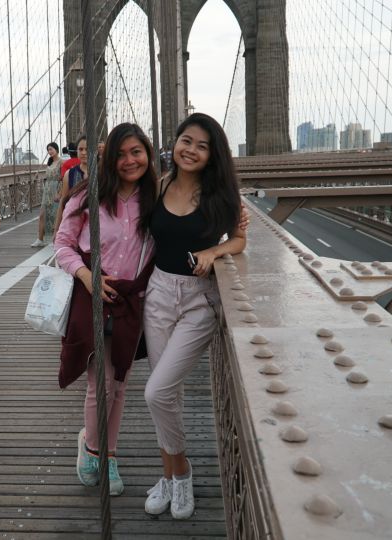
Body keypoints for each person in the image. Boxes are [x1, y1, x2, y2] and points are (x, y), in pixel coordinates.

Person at [142, 113, 247, 520]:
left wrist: (213, 252)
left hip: (199, 301)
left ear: (211, 154)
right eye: (186, 140)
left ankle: (182, 472)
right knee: (166, 394)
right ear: (176, 143)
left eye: (202, 146)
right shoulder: (159, 186)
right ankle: (167, 476)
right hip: (158, 293)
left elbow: (239, 239)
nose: (191, 149)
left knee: (156, 391)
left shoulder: (220, 195)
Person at [55, 123, 157, 497]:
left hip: (133, 301)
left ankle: (108, 455)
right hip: (93, 297)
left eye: (137, 152)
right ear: (109, 159)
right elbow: (62, 244)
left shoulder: (155, 198)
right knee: (101, 384)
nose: (129, 161)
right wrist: (87, 276)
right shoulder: (88, 197)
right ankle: (94, 449)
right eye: (121, 154)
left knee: (120, 383)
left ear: (147, 153)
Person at [53, 135, 88, 233]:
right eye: (80, 149)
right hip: (74, 226)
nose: (84, 152)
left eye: (87, 149)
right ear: (76, 151)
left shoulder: (102, 173)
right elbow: (63, 202)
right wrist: (57, 229)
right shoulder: (69, 174)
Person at [30, 142, 61, 247]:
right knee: (42, 214)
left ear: (57, 149)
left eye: (51, 149)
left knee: (55, 215)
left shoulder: (62, 162)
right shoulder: (50, 162)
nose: (50, 152)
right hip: (47, 191)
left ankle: (56, 239)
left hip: (56, 190)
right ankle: (40, 239)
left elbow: (63, 178)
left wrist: (60, 193)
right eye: (48, 150)